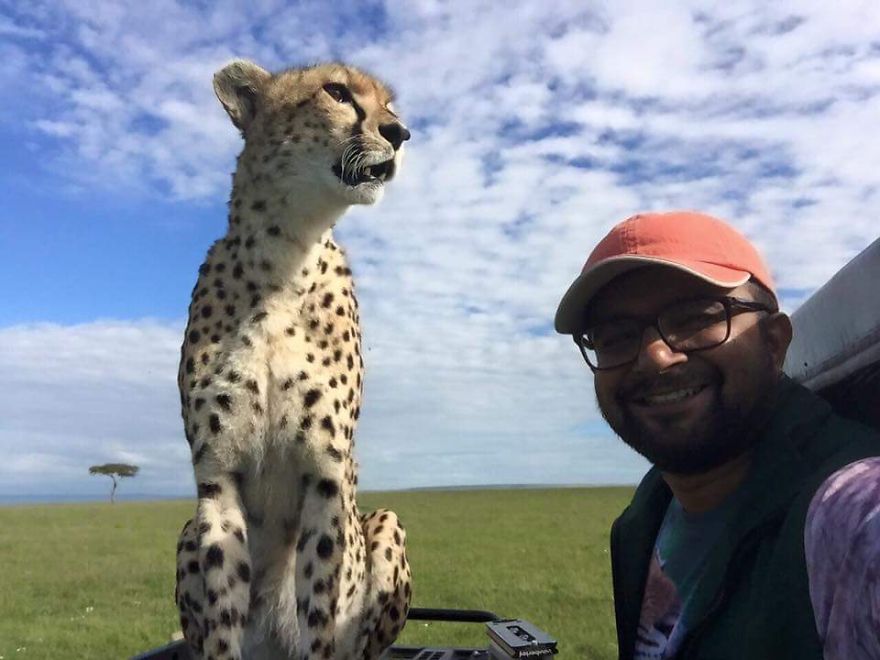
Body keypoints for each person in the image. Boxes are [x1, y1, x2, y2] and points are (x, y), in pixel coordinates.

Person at [554, 211, 880, 660]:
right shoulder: (645, 517)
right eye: (615, 336)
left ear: (774, 341)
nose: (655, 357)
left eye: (694, 317)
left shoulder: (850, 514)